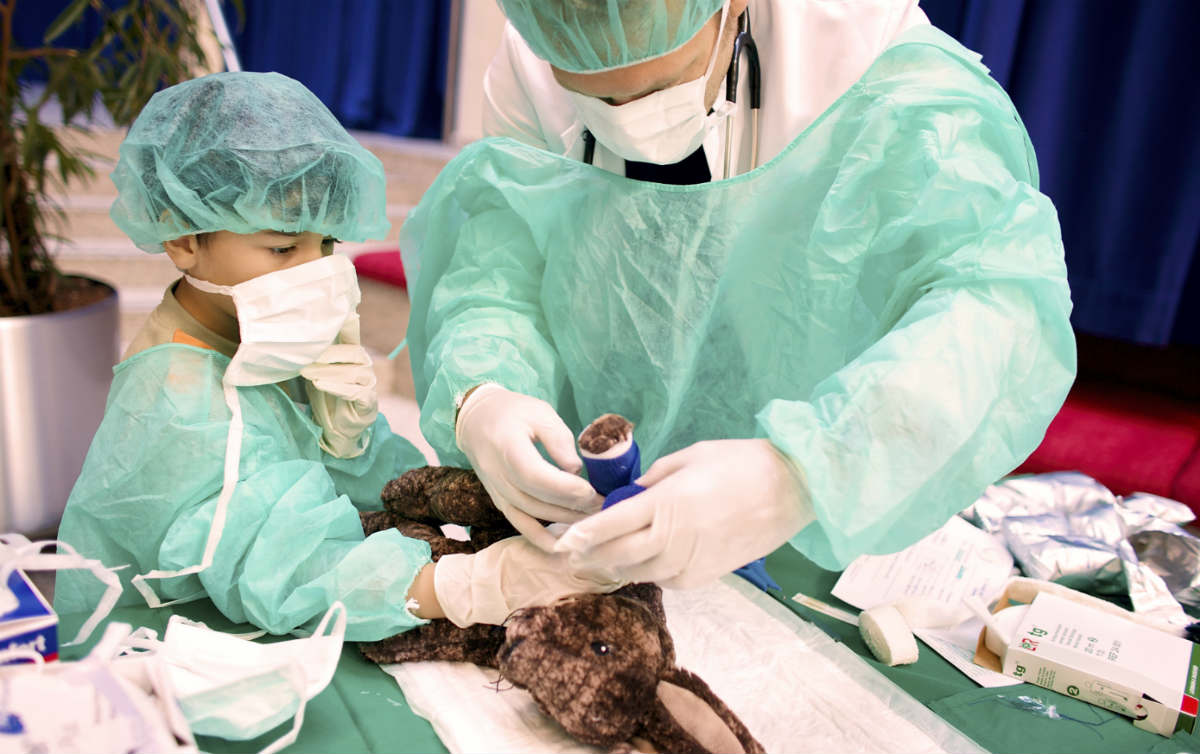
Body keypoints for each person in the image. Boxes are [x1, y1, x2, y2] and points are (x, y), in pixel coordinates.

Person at [400, 0, 1076, 588]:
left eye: (660, 81)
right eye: (593, 96)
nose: (627, 118)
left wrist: (801, 473)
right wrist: (483, 389)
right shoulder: (539, 45)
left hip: (821, 518)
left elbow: (997, 304)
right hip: (596, 509)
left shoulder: (870, 58)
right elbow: (499, 265)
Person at [54, 71, 618, 639]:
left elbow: (357, 499)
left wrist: (348, 443)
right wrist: (477, 585)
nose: (313, 272)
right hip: (151, 649)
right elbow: (289, 571)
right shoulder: (175, 399)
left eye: (327, 244)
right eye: (280, 247)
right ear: (182, 238)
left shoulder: (262, 340)